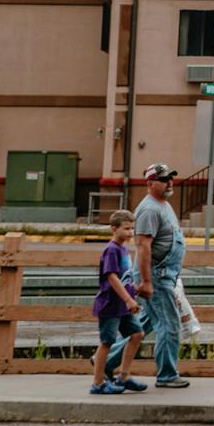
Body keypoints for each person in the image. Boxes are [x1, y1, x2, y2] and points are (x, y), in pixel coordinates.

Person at [133, 163, 189, 388]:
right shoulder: (149, 210)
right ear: (149, 183)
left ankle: (105, 361)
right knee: (169, 323)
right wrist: (146, 282)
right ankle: (167, 375)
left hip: (166, 275)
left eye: (170, 178)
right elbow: (143, 247)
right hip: (156, 276)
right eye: (164, 179)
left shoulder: (163, 205)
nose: (169, 183)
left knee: (144, 324)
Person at [90, 210, 147, 394]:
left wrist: (135, 289)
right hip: (111, 305)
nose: (131, 232)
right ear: (114, 229)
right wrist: (129, 299)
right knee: (107, 341)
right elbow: (112, 277)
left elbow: (124, 277)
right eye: (126, 229)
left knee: (137, 334)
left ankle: (124, 376)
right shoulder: (111, 250)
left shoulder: (123, 249)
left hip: (123, 305)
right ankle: (98, 383)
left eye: (132, 228)